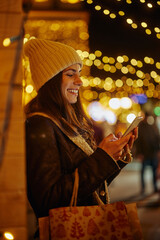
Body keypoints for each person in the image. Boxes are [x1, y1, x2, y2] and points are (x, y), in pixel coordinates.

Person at [24, 39, 138, 228]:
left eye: (79, 74)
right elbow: (48, 200)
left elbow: (88, 189)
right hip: (68, 230)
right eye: (70, 74)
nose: (79, 81)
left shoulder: (65, 123)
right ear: (50, 80)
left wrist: (114, 157)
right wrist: (102, 157)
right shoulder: (39, 125)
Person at [135, 112, 160, 193]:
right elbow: (138, 142)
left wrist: (158, 150)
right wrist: (139, 153)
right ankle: (143, 188)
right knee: (143, 171)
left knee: (154, 171)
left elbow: (157, 138)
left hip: (153, 153)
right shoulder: (141, 127)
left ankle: (155, 187)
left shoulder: (153, 126)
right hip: (144, 153)